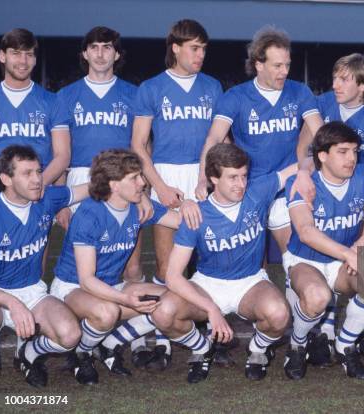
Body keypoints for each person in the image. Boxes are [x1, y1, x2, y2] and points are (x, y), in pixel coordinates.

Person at [144, 143, 296, 382]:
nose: (241, 184)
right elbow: (172, 276)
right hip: (208, 284)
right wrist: (211, 309)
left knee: (279, 315)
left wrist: (305, 173)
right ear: (212, 178)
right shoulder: (196, 214)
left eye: (244, 176)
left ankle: (257, 349)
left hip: (250, 282)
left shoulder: (259, 191)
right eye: (233, 177)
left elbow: (298, 167)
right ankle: (202, 349)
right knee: (163, 313)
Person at [49, 149, 200, 385]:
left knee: (172, 301)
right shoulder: (89, 214)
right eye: (135, 178)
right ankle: (82, 352)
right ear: (114, 185)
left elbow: (182, 221)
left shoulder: (137, 207)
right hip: (73, 288)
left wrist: (188, 204)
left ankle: (109, 346)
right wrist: (126, 300)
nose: (143, 183)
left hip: (111, 285)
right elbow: (87, 279)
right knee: (107, 311)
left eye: (141, 176)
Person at [53, 26, 153, 366]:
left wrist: (143, 190)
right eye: (93, 47)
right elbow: (62, 151)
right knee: (84, 264)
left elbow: (142, 146)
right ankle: (81, 331)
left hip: (124, 183)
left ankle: (133, 339)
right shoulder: (66, 95)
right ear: (84, 54)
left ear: (117, 54)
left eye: (106, 47)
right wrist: (62, 199)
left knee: (131, 261)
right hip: (82, 180)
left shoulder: (133, 93)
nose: (100, 54)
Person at [131, 19, 222, 367]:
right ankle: (165, 339)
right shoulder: (151, 87)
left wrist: (212, 179)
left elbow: (220, 138)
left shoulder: (212, 86)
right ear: (175, 47)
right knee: (169, 266)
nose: (200, 55)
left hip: (202, 177)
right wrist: (159, 185)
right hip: (166, 174)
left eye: (203, 49)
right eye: (194, 48)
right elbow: (138, 145)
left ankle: (212, 331)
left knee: (206, 262)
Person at [195, 26, 323, 254]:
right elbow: (214, 137)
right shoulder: (236, 96)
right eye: (277, 65)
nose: (284, 71)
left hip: (287, 184)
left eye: (287, 64)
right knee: (251, 259)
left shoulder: (300, 92)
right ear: (258, 65)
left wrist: (308, 166)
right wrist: (202, 179)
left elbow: (321, 134)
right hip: (248, 187)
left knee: (294, 257)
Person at [304, 53, 364, 364]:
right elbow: (305, 147)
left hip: (361, 193)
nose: (335, 85)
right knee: (319, 255)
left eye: (344, 79)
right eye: (335, 77)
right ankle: (325, 327)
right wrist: (304, 175)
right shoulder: (322, 103)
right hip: (326, 188)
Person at [283, 121, 364, 380]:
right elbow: (305, 231)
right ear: (323, 155)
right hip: (306, 261)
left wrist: (363, 244)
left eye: (354, 151)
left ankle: (344, 345)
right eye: (343, 151)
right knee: (318, 297)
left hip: (341, 261)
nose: (351, 158)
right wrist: (348, 254)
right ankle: (297, 343)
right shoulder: (301, 181)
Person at [0, 145, 88, 387]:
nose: (38, 179)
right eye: (27, 173)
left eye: (38, 171)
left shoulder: (47, 198)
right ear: (5, 179)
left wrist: (135, 193)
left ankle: (28, 353)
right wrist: (12, 303)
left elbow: (92, 188)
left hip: (32, 291)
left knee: (70, 335)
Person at [0, 28, 70, 186]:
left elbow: (62, 155)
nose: (23, 61)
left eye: (29, 55)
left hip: (39, 190)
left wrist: (37, 184)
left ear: (35, 59)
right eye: (16, 53)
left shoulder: (53, 101)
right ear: (2, 56)